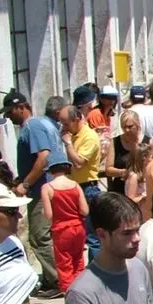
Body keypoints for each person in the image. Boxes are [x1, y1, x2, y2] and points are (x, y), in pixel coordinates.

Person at [0, 89, 64, 298]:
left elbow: (43, 157)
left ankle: (57, 281)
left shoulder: (34, 126)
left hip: (40, 190)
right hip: (43, 187)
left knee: (39, 237)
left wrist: (26, 184)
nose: (8, 117)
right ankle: (50, 278)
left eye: (10, 112)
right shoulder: (37, 125)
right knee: (46, 236)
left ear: (21, 107)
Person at [59, 105, 103, 261]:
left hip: (87, 188)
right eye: (62, 124)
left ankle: (97, 270)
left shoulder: (89, 136)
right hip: (72, 187)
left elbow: (79, 163)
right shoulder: (72, 135)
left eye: (66, 124)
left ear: (76, 119)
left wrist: (68, 144)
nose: (63, 127)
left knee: (92, 236)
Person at [40, 158, 88, 295]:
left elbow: (48, 215)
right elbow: (85, 211)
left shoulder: (47, 188)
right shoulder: (75, 185)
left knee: (64, 265)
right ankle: (82, 296)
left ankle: (70, 298)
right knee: (79, 262)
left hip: (61, 230)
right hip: (78, 227)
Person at [106, 110, 152, 195]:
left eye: (130, 126)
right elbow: (108, 169)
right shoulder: (115, 142)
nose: (126, 130)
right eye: (123, 127)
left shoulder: (148, 142)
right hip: (120, 189)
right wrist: (124, 173)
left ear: (138, 124)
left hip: (142, 189)